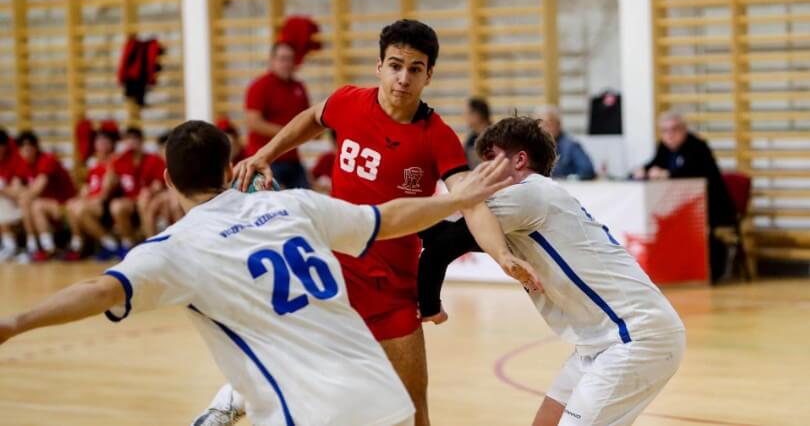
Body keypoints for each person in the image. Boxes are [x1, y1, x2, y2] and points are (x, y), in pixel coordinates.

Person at [0, 120, 518, 426]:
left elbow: (98, 290)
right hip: (386, 401)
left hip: (316, 415)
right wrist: (458, 196)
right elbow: (390, 217)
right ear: (230, 170)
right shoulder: (296, 205)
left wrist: (16, 323)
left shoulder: (176, 248)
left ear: (167, 180)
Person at [222, 19, 539, 426]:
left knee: (414, 409)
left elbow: (471, 202)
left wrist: (501, 255)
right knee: (304, 386)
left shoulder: (436, 135)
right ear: (379, 66)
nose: (403, 78)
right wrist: (265, 153)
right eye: (395, 66)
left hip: (393, 289)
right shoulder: (349, 101)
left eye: (415, 69)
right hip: (334, 278)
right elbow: (313, 117)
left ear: (428, 75)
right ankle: (229, 401)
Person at [419, 116, 686, 426]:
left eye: (490, 160)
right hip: (600, 342)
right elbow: (438, 235)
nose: (481, 172)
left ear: (519, 160)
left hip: (636, 337)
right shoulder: (528, 205)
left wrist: (429, 304)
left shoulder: (528, 195)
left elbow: (441, 246)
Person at [633, 111, 735, 283]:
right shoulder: (664, 148)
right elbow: (654, 164)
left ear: (684, 129)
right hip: (678, 205)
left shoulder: (698, 147)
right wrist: (642, 170)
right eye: (665, 131)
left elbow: (696, 173)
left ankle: (707, 269)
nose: (670, 135)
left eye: (674, 129)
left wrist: (668, 174)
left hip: (712, 204)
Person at [244, 42, 310, 188]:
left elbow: (307, 118)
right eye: (283, 59)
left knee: (305, 197)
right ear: (272, 61)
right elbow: (254, 122)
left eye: (290, 59)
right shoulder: (260, 86)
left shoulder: (299, 87)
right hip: (265, 158)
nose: (287, 64)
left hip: (292, 158)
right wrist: (287, 132)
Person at [16, 131, 77, 262]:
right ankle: (36, 246)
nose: (27, 151)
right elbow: (15, 188)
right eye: (23, 148)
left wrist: (20, 193)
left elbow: (35, 190)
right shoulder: (23, 164)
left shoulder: (47, 160)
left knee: (34, 204)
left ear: (36, 147)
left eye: (30, 147)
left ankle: (46, 248)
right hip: (48, 205)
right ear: (19, 151)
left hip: (65, 204)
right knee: (26, 202)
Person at [105, 127, 165, 258]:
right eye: (128, 139)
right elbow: (108, 187)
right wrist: (110, 170)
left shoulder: (153, 159)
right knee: (116, 206)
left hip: (150, 198)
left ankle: (151, 244)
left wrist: (150, 191)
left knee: (144, 201)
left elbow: (159, 184)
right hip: (131, 200)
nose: (131, 142)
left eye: (135, 139)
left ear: (141, 141)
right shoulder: (118, 161)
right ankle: (129, 242)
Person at [64, 129, 119, 261]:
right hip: (92, 202)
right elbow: (86, 188)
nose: (101, 144)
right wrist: (79, 199)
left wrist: (89, 201)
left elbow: (105, 192)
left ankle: (111, 245)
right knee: (71, 206)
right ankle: (78, 244)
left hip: (106, 205)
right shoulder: (93, 165)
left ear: (111, 144)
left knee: (81, 210)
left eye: (105, 141)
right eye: (98, 141)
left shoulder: (114, 162)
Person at [535, 105, 596, 180]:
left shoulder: (571, 145)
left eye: (547, 124)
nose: (544, 129)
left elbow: (587, 171)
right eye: (539, 126)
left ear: (558, 125)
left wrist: (567, 178)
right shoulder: (534, 147)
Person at [0, 129, 26, 261]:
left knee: (2, 204)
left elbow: (17, 192)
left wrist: (2, 189)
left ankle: (10, 247)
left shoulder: (15, 161)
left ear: (4, 146)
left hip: (16, 205)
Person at [463, 97, 491, 167]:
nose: (465, 117)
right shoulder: (471, 139)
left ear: (477, 115)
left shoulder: (497, 137)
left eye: (468, 113)